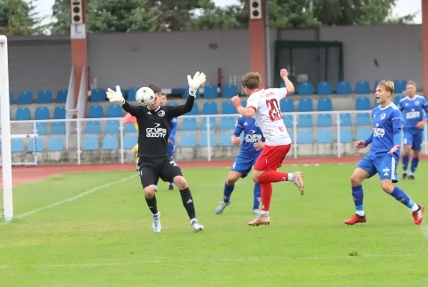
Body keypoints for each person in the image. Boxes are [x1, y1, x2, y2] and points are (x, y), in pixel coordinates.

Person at [106, 75, 206, 234]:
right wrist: (122, 102)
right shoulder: (141, 112)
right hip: (146, 161)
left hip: (164, 159)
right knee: (149, 191)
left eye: (155, 97)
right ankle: (155, 215)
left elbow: (187, 108)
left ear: (159, 98)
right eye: (149, 99)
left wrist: (193, 91)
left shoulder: (167, 112)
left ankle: (194, 221)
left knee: (181, 181)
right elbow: (130, 109)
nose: (152, 101)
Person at [229, 68, 304, 227]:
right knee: (265, 177)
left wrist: (237, 105)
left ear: (245, 88)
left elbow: (248, 113)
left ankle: (293, 177)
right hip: (283, 140)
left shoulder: (254, 97)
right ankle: (264, 215)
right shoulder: (272, 92)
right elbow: (290, 89)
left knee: (257, 176)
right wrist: (285, 77)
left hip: (275, 143)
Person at [344, 80, 424, 226]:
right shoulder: (375, 111)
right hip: (373, 154)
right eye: (376, 91)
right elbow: (377, 132)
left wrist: (395, 146)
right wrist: (366, 142)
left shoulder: (395, 111)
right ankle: (360, 214)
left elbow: (396, 132)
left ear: (388, 93)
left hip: (387, 155)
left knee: (386, 187)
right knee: (355, 179)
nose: (376, 93)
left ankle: (416, 208)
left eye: (380, 91)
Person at [214, 115, 265, 216]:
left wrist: (265, 144)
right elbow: (234, 135)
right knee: (231, 179)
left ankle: (256, 207)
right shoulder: (243, 118)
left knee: (259, 177)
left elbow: (275, 136)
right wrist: (234, 139)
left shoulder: (265, 116)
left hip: (260, 152)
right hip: (245, 153)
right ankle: (226, 200)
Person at [398, 80, 428, 180]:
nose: (409, 90)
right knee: (407, 150)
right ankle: (404, 170)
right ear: (406, 90)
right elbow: (397, 114)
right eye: (408, 88)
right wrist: (401, 123)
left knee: (416, 153)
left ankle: (412, 172)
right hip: (407, 129)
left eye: (411, 88)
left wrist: (423, 122)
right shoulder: (402, 101)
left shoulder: (421, 100)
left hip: (418, 130)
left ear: (415, 89)